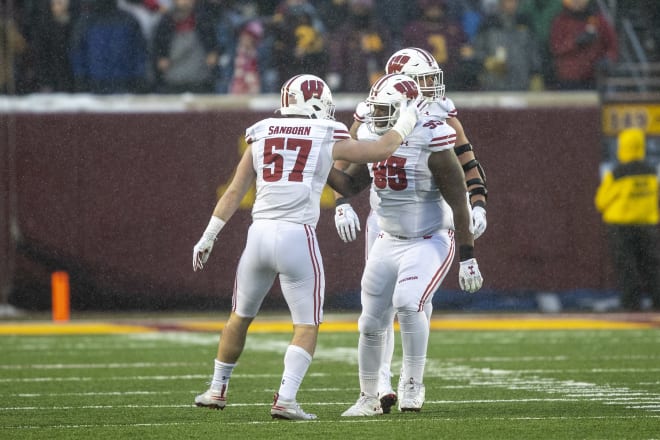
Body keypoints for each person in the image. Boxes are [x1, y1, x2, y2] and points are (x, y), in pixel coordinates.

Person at [191, 73, 424, 420]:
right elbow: (381, 150)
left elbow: (234, 191)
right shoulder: (325, 134)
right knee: (306, 325)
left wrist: (209, 235)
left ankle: (216, 389)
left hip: (258, 236)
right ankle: (285, 398)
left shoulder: (262, 133)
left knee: (239, 317)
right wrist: (407, 119)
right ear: (316, 103)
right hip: (296, 236)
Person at [333, 47, 488, 413]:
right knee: (371, 318)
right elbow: (351, 177)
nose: (377, 117)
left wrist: (472, 228)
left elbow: (459, 184)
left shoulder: (435, 132)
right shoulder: (372, 120)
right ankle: (371, 393)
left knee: (409, 302)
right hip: (385, 230)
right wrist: (336, 195)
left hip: (429, 232)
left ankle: (412, 382)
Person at [595, 128, 660, 311]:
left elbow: (601, 201)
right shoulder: (652, 172)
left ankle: (631, 306)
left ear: (622, 147)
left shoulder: (617, 174)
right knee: (652, 267)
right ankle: (658, 302)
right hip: (647, 224)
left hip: (621, 226)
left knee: (627, 267)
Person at [151, 0, 219, 93]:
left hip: (200, 79)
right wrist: (160, 58)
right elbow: (157, 45)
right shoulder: (166, 21)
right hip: (173, 80)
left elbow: (213, 42)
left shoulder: (203, 18)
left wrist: (212, 53)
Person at [549, 0, 618, 90]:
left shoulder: (598, 20)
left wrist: (607, 59)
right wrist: (576, 42)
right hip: (567, 81)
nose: (576, 2)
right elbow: (555, 47)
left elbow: (612, 45)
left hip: (593, 79)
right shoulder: (560, 21)